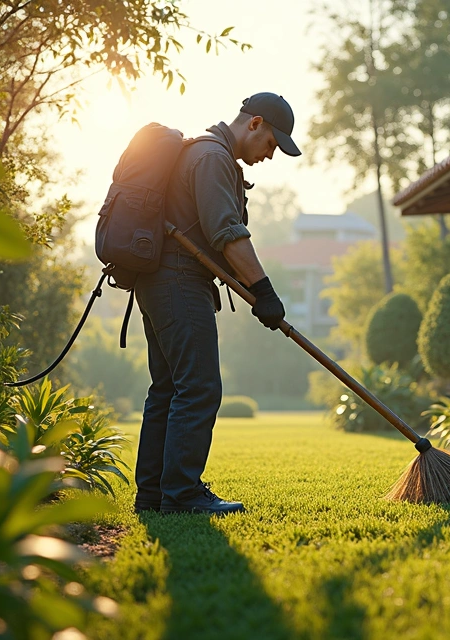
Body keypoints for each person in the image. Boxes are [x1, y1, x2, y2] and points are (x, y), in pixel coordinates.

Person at [132, 92, 299, 515]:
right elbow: (227, 231)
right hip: (179, 284)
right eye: (272, 145)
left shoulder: (204, 153)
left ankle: (154, 494)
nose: (270, 155)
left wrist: (260, 293)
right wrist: (264, 290)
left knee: (168, 389)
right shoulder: (212, 157)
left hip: (160, 284)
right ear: (255, 124)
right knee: (199, 386)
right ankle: (182, 493)